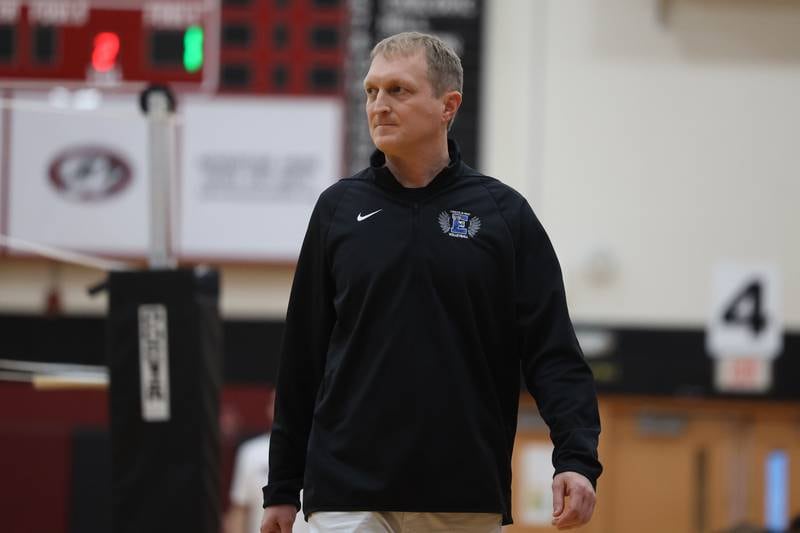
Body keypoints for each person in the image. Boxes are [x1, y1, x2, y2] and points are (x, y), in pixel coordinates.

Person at [261, 31, 602, 533]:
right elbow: (301, 358)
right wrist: (282, 487)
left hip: (462, 492)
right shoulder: (337, 210)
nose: (379, 105)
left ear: (448, 105)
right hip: (345, 492)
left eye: (398, 90)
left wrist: (576, 457)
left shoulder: (505, 216)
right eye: (372, 91)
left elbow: (552, 350)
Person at [226, 391, 308, 533]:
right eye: (278, 402)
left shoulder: (319, 451)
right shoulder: (250, 452)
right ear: (269, 408)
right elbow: (239, 509)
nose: (286, 408)